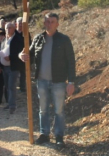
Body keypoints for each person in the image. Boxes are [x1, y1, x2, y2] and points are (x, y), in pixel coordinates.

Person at [20, 12, 76, 148]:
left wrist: (71, 82)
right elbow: (30, 55)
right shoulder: (38, 39)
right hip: (42, 81)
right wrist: (21, 55)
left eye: (52, 21)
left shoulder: (64, 40)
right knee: (43, 109)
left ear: (57, 24)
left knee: (59, 111)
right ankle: (44, 134)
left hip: (58, 82)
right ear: (44, 23)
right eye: (47, 21)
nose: (49, 24)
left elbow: (71, 62)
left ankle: (59, 136)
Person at [1, 22, 24, 114]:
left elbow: (20, 52)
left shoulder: (18, 39)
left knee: (11, 86)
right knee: (7, 86)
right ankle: (9, 103)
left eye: (10, 28)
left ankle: (12, 106)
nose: (8, 30)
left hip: (13, 67)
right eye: (6, 28)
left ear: (14, 28)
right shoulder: (4, 40)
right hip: (5, 67)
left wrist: (11, 57)